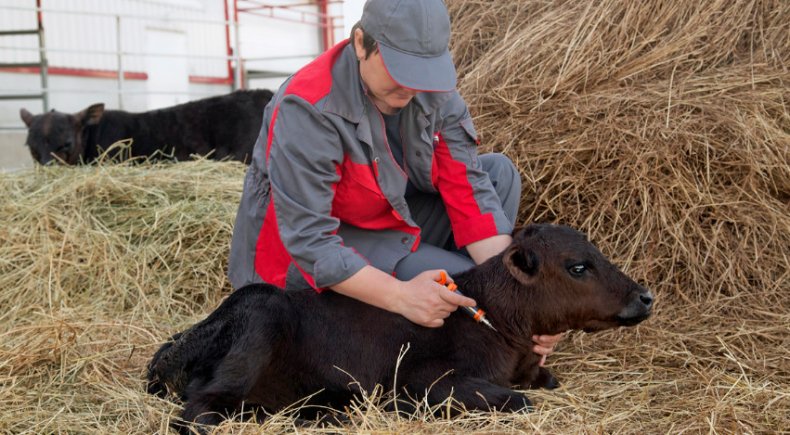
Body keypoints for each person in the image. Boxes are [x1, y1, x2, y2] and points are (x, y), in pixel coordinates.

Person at [229, 0, 561, 365]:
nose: (411, 87)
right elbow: (310, 241)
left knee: (498, 173)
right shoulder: (308, 106)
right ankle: (447, 314)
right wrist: (401, 296)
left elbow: (468, 188)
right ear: (360, 43)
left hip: (386, 215)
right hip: (312, 248)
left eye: (424, 73)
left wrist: (517, 296)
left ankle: (460, 308)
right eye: (400, 69)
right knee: (464, 288)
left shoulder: (431, 92)